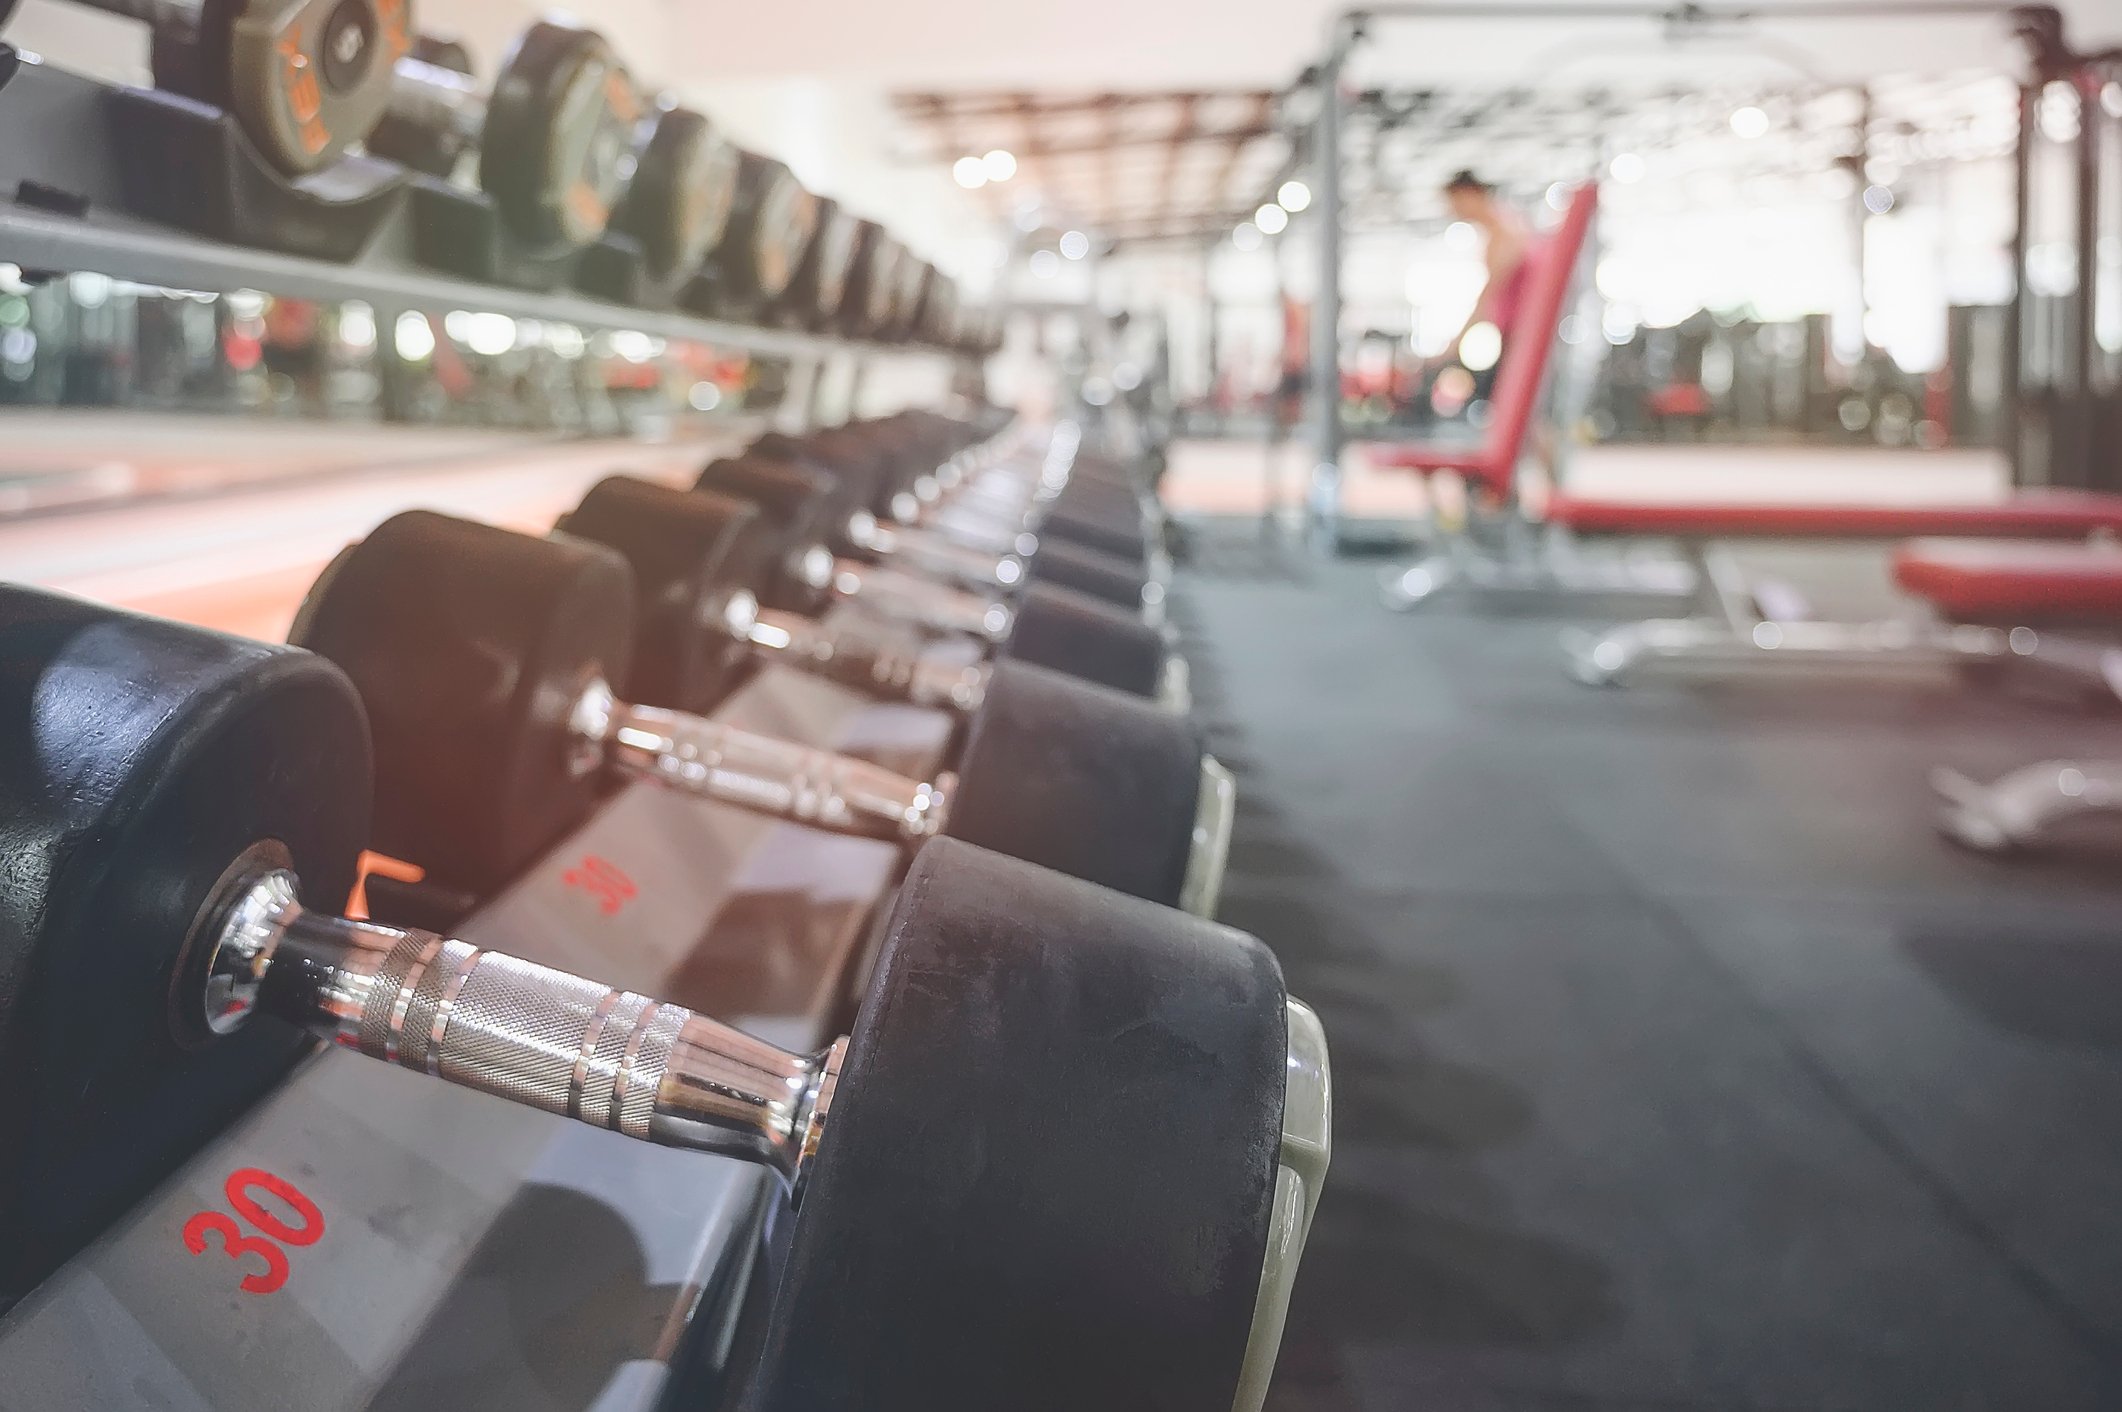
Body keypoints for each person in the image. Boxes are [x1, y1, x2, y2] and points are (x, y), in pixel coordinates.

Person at [1437, 170, 1536, 390]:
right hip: (1515, 331)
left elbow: (1490, 292)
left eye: (1454, 202)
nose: (1453, 211)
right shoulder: (1506, 228)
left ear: (1470, 194)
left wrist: (1457, 340)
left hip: (1520, 332)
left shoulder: (1504, 232)